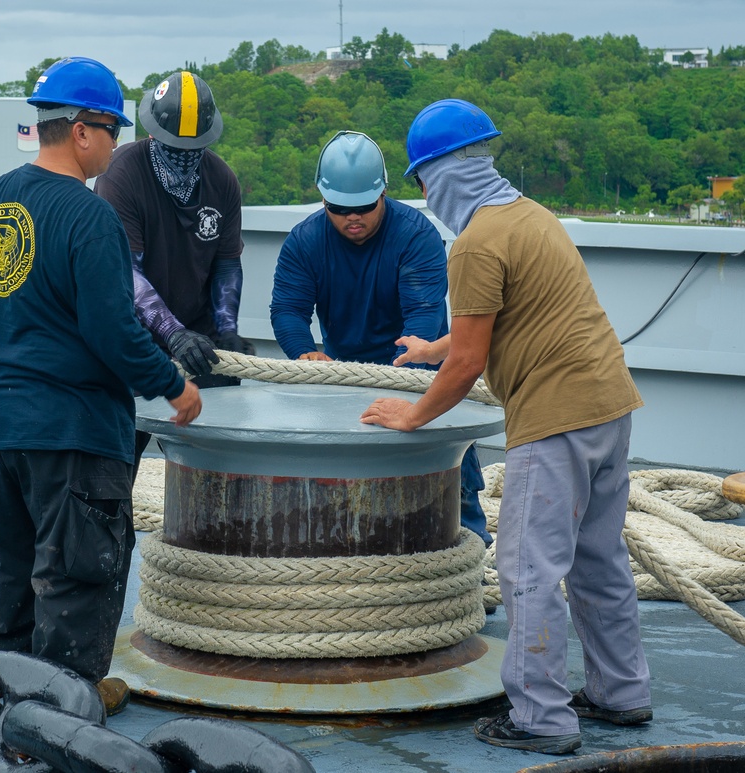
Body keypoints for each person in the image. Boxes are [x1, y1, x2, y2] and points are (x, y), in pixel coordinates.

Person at [360, 99, 651, 755]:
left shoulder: (475, 242)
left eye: (424, 181)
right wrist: (433, 347)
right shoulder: (531, 218)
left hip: (556, 419)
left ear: (445, 174)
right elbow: (508, 319)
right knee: (600, 561)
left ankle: (541, 718)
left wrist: (410, 412)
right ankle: (622, 692)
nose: (426, 196)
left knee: (527, 568)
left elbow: (468, 364)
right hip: (609, 403)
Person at [0, 57, 201, 713]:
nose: (116, 147)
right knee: (74, 578)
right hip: (69, 432)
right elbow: (113, 332)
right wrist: (173, 384)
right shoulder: (89, 219)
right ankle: (63, 710)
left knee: (8, 568)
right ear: (84, 130)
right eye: (113, 131)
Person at [270, 130, 491, 547]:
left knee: (452, 473)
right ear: (323, 200)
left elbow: (423, 321)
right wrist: (305, 352)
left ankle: (470, 550)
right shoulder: (304, 242)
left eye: (364, 207)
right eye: (338, 209)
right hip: (339, 377)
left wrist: (396, 389)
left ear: (384, 193)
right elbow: (287, 311)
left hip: (415, 372)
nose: (352, 218)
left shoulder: (416, 236)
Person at [93, 71, 253, 468]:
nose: (184, 155)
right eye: (173, 147)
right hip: (134, 341)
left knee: (213, 461)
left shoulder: (222, 181)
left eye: (193, 148)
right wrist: (172, 333)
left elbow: (227, 264)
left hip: (200, 342)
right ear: (153, 134)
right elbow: (126, 273)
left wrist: (227, 328)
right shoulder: (121, 175)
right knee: (116, 461)